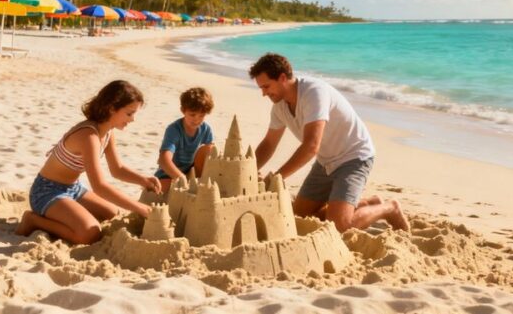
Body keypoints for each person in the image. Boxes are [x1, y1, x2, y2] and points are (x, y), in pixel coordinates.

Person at [248, 53, 408, 232]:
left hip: (353, 156)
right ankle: (368, 204)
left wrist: (277, 178)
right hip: (326, 161)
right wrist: (247, 170)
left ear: (282, 78)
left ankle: (390, 208)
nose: (264, 93)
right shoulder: (279, 107)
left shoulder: (313, 93)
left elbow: (311, 146)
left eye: (266, 86)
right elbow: (269, 144)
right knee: (299, 217)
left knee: (340, 226)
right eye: (261, 88)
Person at [15, 80, 161, 243]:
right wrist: (138, 207)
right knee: (89, 233)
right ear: (112, 108)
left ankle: (66, 215)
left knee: (112, 215)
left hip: (73, 188)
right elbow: (99, 186)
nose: (132, 119)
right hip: (47, 191)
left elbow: (117, 169)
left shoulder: (107, 132)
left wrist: (143, 180)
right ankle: (33, 220)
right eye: (129, 113)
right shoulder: (88, 136)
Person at [154, 87, 217, 192]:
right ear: (183, 110)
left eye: (201, 116)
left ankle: (201, 181)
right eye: (192, 115)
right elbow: (163, 160)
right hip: (170, 174)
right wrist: (181, 178)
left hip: (191, 172)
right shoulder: (174, 130)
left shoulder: (205, 129)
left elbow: (211, 155)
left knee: (210, 149)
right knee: (161, 190)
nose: (196, 119)